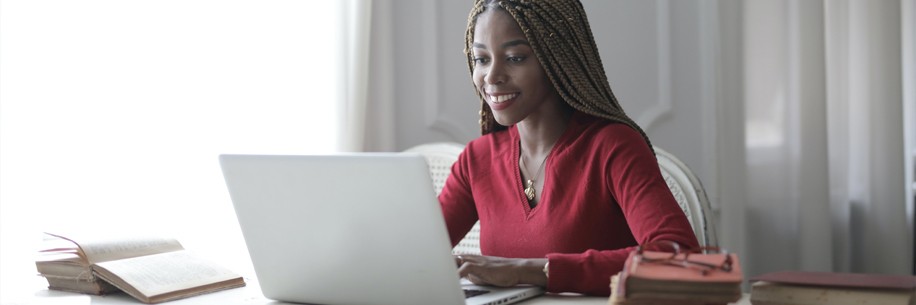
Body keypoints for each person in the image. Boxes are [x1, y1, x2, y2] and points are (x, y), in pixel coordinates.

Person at [437, 0, 700, 296]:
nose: (492, 76)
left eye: (514, 58)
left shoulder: (613, 146)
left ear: (557, 57)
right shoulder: (477, 159)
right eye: (482, 59)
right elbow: (413, 254)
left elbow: (681, 260)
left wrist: (529, 271)